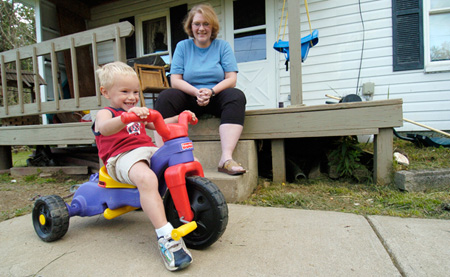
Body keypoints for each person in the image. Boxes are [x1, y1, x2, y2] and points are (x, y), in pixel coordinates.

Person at [93, 61, 194, 272]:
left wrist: (181, 116)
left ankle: (184, 208)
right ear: (105, 92)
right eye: (124, 91)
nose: (131, 97)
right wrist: (124, 118)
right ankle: (166, 236)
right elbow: (103, 128)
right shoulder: (107, 113)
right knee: (147, 179)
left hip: (146, 151)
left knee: (179, 159)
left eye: (135, 92)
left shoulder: (138, 112)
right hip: (121, 157)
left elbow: (159, 122)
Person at [155, 3, 247, 175]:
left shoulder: (222, 46)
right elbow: (175, 80)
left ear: (213, 26)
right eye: (197, 24)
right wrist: (196, 92)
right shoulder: (183, 47)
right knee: (165, 97)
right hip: (190, 97)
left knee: (236, 95)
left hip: (216, 95)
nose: (201, 28)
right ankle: (163, 157)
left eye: (206, 24)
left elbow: (231, 78)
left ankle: (226, 159)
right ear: (190, 26)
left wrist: (211, 91)